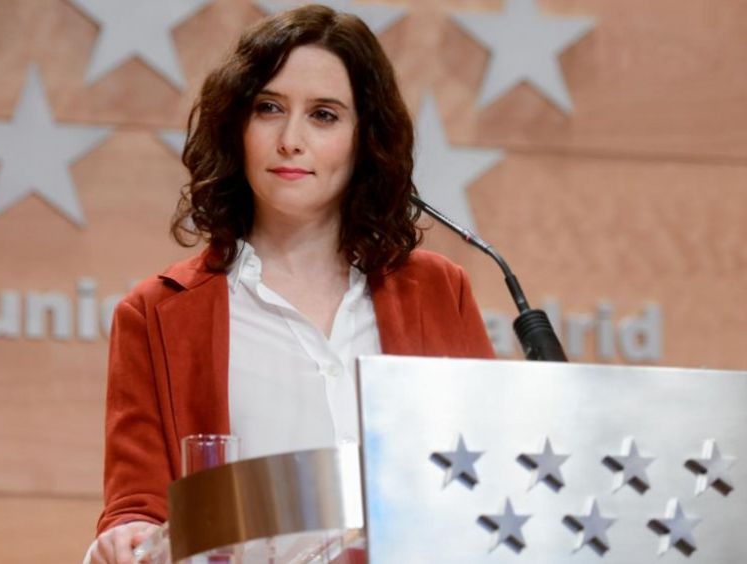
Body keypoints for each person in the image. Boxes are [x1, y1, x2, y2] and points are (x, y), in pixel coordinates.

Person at [86, 5, 495, 563]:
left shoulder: (438, 291)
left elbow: (489, 474)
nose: (290, 139)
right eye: (269, 108)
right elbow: (138, 510)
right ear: (237, 126)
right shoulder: (155, 314)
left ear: (364, 139)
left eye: (324, 115)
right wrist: (127, 536)